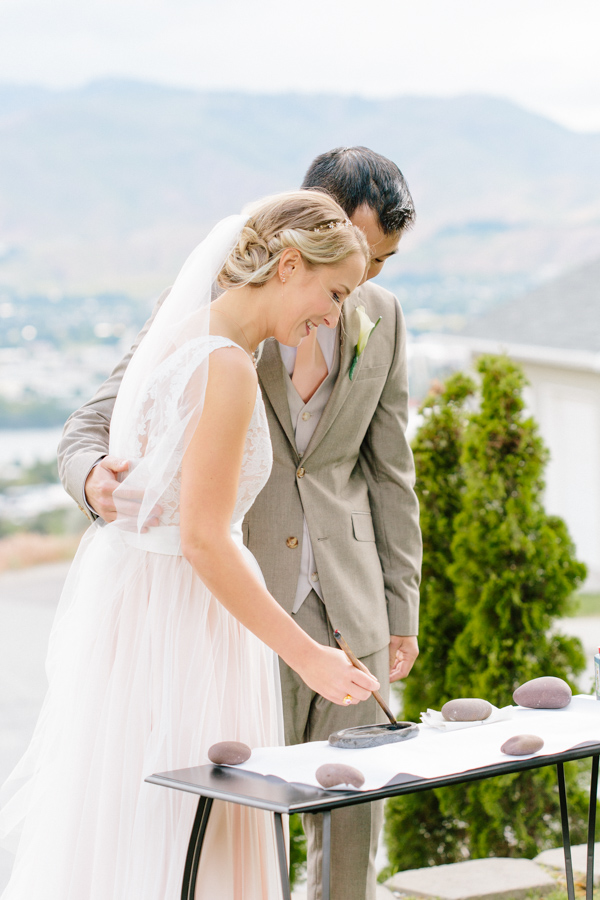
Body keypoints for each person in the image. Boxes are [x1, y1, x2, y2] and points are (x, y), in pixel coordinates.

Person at [58, 147, 422, 900]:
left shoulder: (379, 316)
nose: (358, 291)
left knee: (351, 829)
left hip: (348, 604)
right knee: (239, 827)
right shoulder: (211, 315)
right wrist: (92, 478)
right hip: (234, 607)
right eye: (350, 266)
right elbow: (105, 414)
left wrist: (399, 609)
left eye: (379, 266)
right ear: (296, 245)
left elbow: (391, 470)